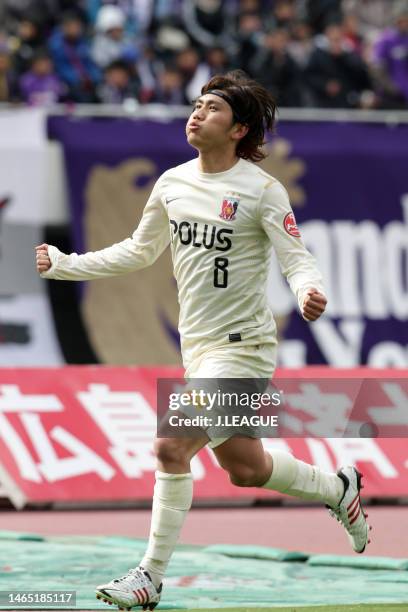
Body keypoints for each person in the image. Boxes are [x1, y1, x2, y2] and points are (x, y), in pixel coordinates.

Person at [36, 70, 371, 612]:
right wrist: (67, 265)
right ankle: (339, 489)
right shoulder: (171, 183)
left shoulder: (262, 189)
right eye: (196, 105)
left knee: (171, 445)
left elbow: (297, 257)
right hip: (198, 348)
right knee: (246, 469)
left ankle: (149, 576)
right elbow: (138, 252)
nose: (196, 114)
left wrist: (310, 290)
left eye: (211, 108)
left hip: (243, 348)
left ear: (239, 129)